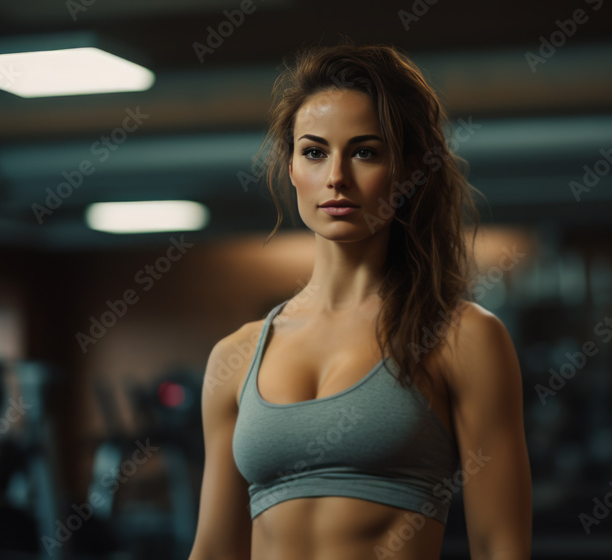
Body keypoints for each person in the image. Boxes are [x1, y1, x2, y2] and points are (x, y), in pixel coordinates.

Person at [188, 42, 531, 560]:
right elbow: (214, 550)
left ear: (411, 171)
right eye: (314, 151)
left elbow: (498, 546)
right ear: (291, 168)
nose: (336, 177)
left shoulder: (461, 338)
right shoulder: (233, 358)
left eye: (365, 151)